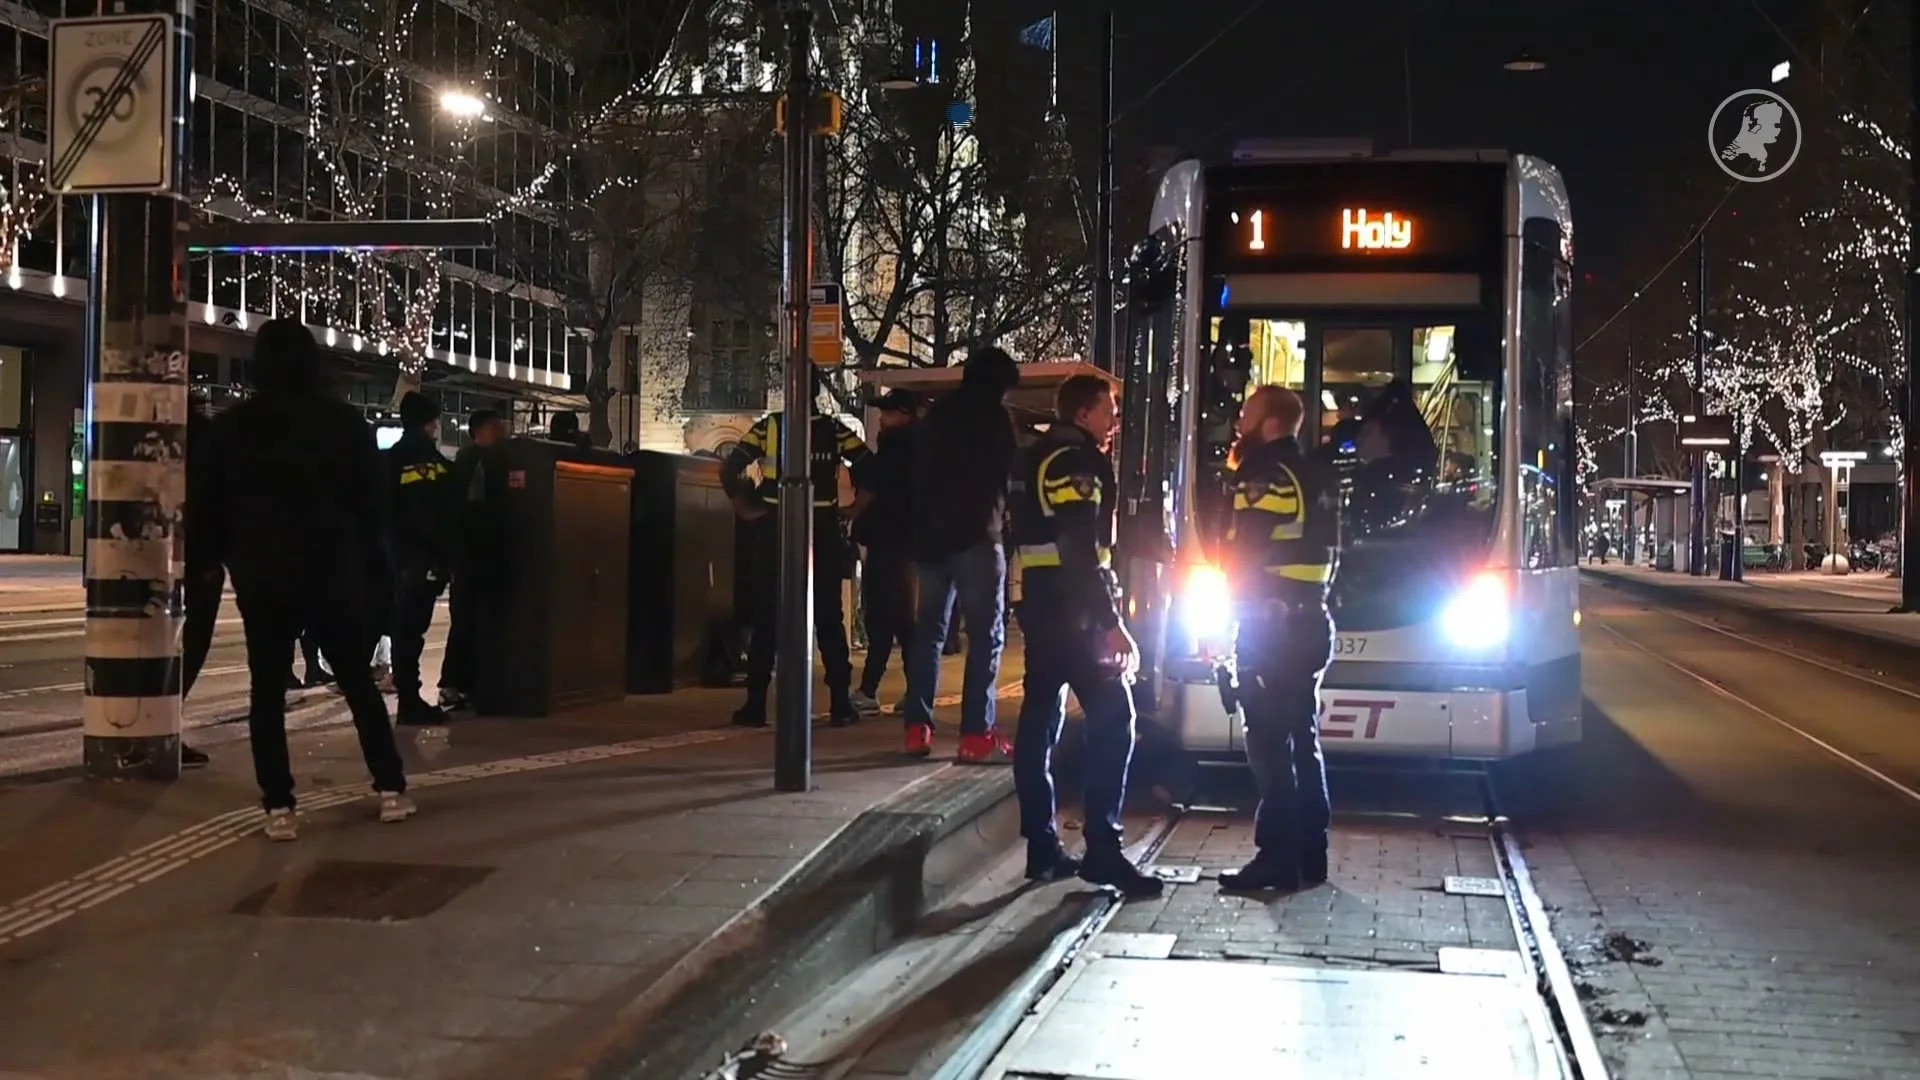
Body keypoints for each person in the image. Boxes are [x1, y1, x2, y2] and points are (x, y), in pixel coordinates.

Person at [200, 319, 411, 841]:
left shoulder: (233, 427)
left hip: (264, 575)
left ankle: (279, 805)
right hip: (332, 571)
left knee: (267, 692)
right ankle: (389, 786)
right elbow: (371, 505)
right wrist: (368, 560)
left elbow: (211, 505)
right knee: (357, 683)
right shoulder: (342, 424)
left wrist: (225, 557)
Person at [1008, 374, 1161, 897]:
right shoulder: (1075, 462)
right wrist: (1109, 623)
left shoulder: (1034, 457)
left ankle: (1042, 847)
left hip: (1043, 605)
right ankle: (1103, 848)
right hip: (1076, 612)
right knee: (1116, 719)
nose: (1115, 419)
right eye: (1109, 409)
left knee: (1039, 722)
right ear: (1082, 414)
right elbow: (1078, 549)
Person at [1218, 385, 1339, 891]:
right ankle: (1311, 855)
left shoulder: (1265, 473)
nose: (1240, 419)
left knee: (1268, 746)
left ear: (1270, 422)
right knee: (1302, 740)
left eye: (1248, 412)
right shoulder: (1316, 472)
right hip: (1310, 620)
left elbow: (1243, 552)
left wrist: (1235, 613)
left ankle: (1277, 858)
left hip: (1272, 626)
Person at [720, 377, 872, 728]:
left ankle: (756, 705)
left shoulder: (769, 427)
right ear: (817, 393)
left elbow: (731, 467)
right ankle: (839, 705)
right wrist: (855, 508)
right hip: (821, 530)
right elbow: (869, 467)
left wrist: (745, 508)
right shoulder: (834, 431)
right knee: (829, 619)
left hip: (776, 529)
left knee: (767, 618)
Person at [901, 346, 1021, 761]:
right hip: (977, 538)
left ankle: (917, 726)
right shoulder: (996, 421)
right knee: (986, 636)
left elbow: (915, 478)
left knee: (930, 633)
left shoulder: (935, 419)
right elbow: (1008, 478)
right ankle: (975, 733)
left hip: (932, 542)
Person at [386, 391, 455, 726]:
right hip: (418, 559)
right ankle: (410, 702)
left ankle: (408, 699)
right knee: (410, 631)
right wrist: (440, 554)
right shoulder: (421, 457)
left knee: (405, 630)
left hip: (400, 557)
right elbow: (426, 511)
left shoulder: (395, 455)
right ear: (430, 423)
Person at [849, 389, 919, 715]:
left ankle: (869, 691)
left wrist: (852, 514)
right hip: (908, 544)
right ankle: (915, 691)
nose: (882, 419)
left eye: (888, 413)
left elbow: (871, 490)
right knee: (905, 622)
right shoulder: (921, 448)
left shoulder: (895, 449)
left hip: (890, 544)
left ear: (904, 414)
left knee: (884, 619)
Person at [440, 409, 508, 710]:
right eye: (497, 427)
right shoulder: (473, 462)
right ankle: (454, 683)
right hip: (471, 559)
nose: (502, 431)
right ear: (481, 430)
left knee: (473, 622)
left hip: (476, 558)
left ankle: (468, 683)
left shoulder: (484, 460)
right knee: (466, 622)